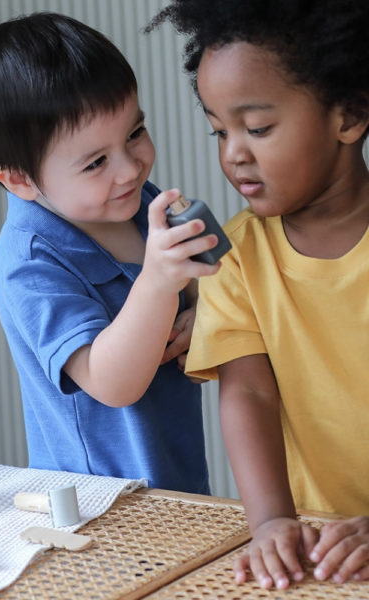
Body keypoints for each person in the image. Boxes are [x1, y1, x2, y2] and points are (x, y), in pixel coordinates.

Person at [146, 0, 369, 590]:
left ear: (348, 115)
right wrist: (271, 521)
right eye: (220, 130)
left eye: (258, 127)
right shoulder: (238, 253)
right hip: (325, 547)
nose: (233, 153)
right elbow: (249, 393)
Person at [0, 12, 221, 493]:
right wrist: (159, 283)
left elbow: (208, 284)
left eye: (135, 134)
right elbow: (112, 383)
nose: (130, 169)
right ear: (19, 180)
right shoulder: (30, 263)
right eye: (96, 162)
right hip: (95, 504)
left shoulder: (137, 203)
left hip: (176, 482)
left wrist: (202, 315)